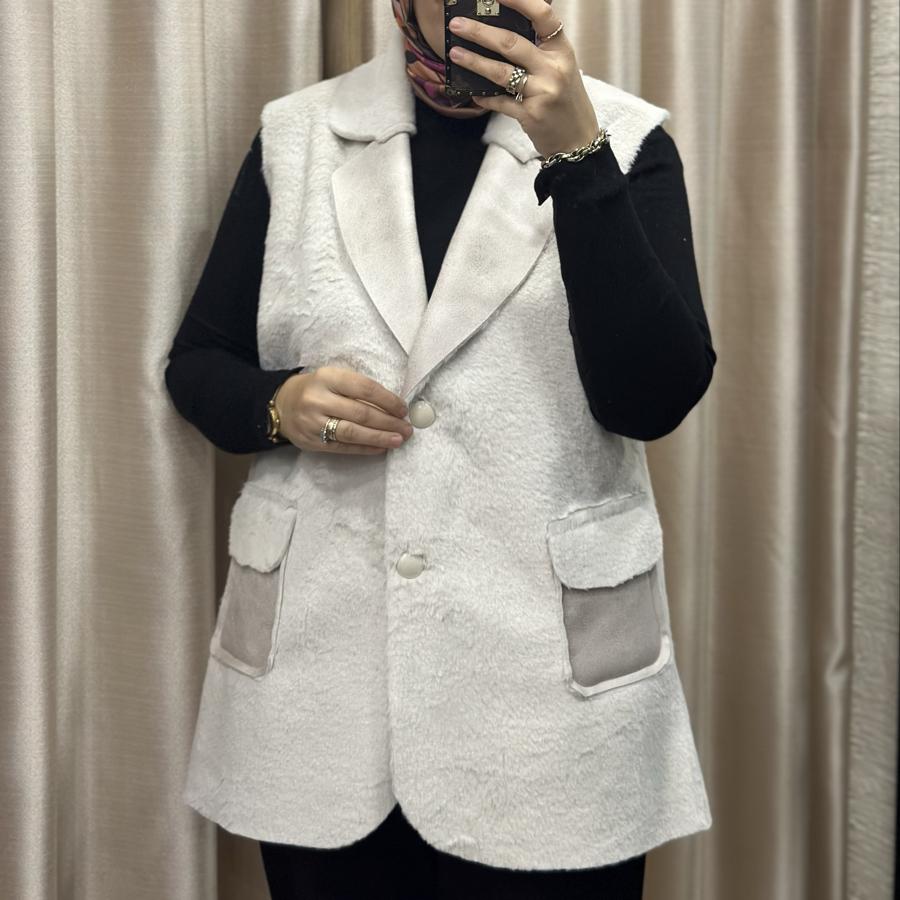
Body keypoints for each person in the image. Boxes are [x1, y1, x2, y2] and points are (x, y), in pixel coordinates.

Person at [166, 0, 716, 897]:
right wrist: (281, 405)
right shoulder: (297, 136)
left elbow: (650, 398)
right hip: (325, 691)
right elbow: (199, 363)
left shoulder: (626, 140)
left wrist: (578, 156)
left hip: (548, 706)